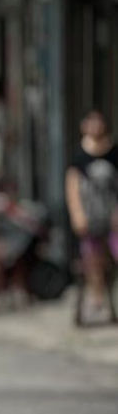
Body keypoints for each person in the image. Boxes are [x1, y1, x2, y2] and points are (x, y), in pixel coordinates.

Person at [65, 109, 118, 320]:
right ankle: (97, 296)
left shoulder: (113, 152)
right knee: (92, 257)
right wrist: (77, 214)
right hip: (90, 215)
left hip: (112, 215)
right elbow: (72, 186)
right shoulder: (79, 156)